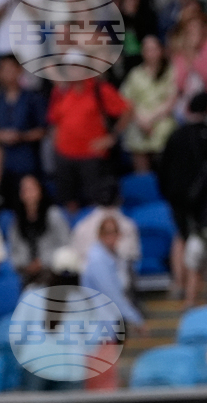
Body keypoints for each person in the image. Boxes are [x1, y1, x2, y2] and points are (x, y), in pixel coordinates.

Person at [47, 74, 133, 211]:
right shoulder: (61, 92)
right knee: (68, 200)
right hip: (65, 156)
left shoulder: (100, 89)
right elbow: (54, 120)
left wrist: (112, 137)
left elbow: (127, 110)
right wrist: (57, 144)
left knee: (96, 200)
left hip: (91, 155)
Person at [161, 93, 207, 307]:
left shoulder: (176, 135)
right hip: (202, 201)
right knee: (197, 241)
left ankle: (180, 284)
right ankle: (194, 288)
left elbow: (162, 168)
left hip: (177, 198)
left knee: (181, 238)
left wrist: (168, 194)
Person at [0, 56, 47, 205]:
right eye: (4, 70)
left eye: (12, 69)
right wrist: (0, 136)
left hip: (27, 161)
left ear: (19, 71)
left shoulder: (32, 98)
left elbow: (43, 130)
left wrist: (21, 136)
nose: (8, 73)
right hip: (2, 164)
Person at [120, 35, 178, 173]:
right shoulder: (135, 74)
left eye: (154, 49)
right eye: (147, 49)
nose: (151, 53)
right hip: (139, 122)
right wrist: (141, 119)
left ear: (161, 50)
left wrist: (151, 118)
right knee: (141, 170)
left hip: (163, 122)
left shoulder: (171, 72)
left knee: (167, 168)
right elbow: (125, 100)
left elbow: (172, 98)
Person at [81, 217, 147, 334]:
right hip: (100, 323)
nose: (110, 237)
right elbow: (112, 294)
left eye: (114, 232)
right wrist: (135, 318)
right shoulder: (98, 260)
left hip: (111, 320)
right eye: (106, 233)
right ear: (100, 235)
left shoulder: (114, 257)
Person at [8, 174, 72, 286]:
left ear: (40, 190)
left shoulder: (54, 215)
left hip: (51, 269)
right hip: (26, 271)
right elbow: (13, 249)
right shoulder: (17, 220)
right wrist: (25, 264)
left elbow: (66, 244)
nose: (28, 193)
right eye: (24, 189)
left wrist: (43, 261)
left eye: (31, 189)